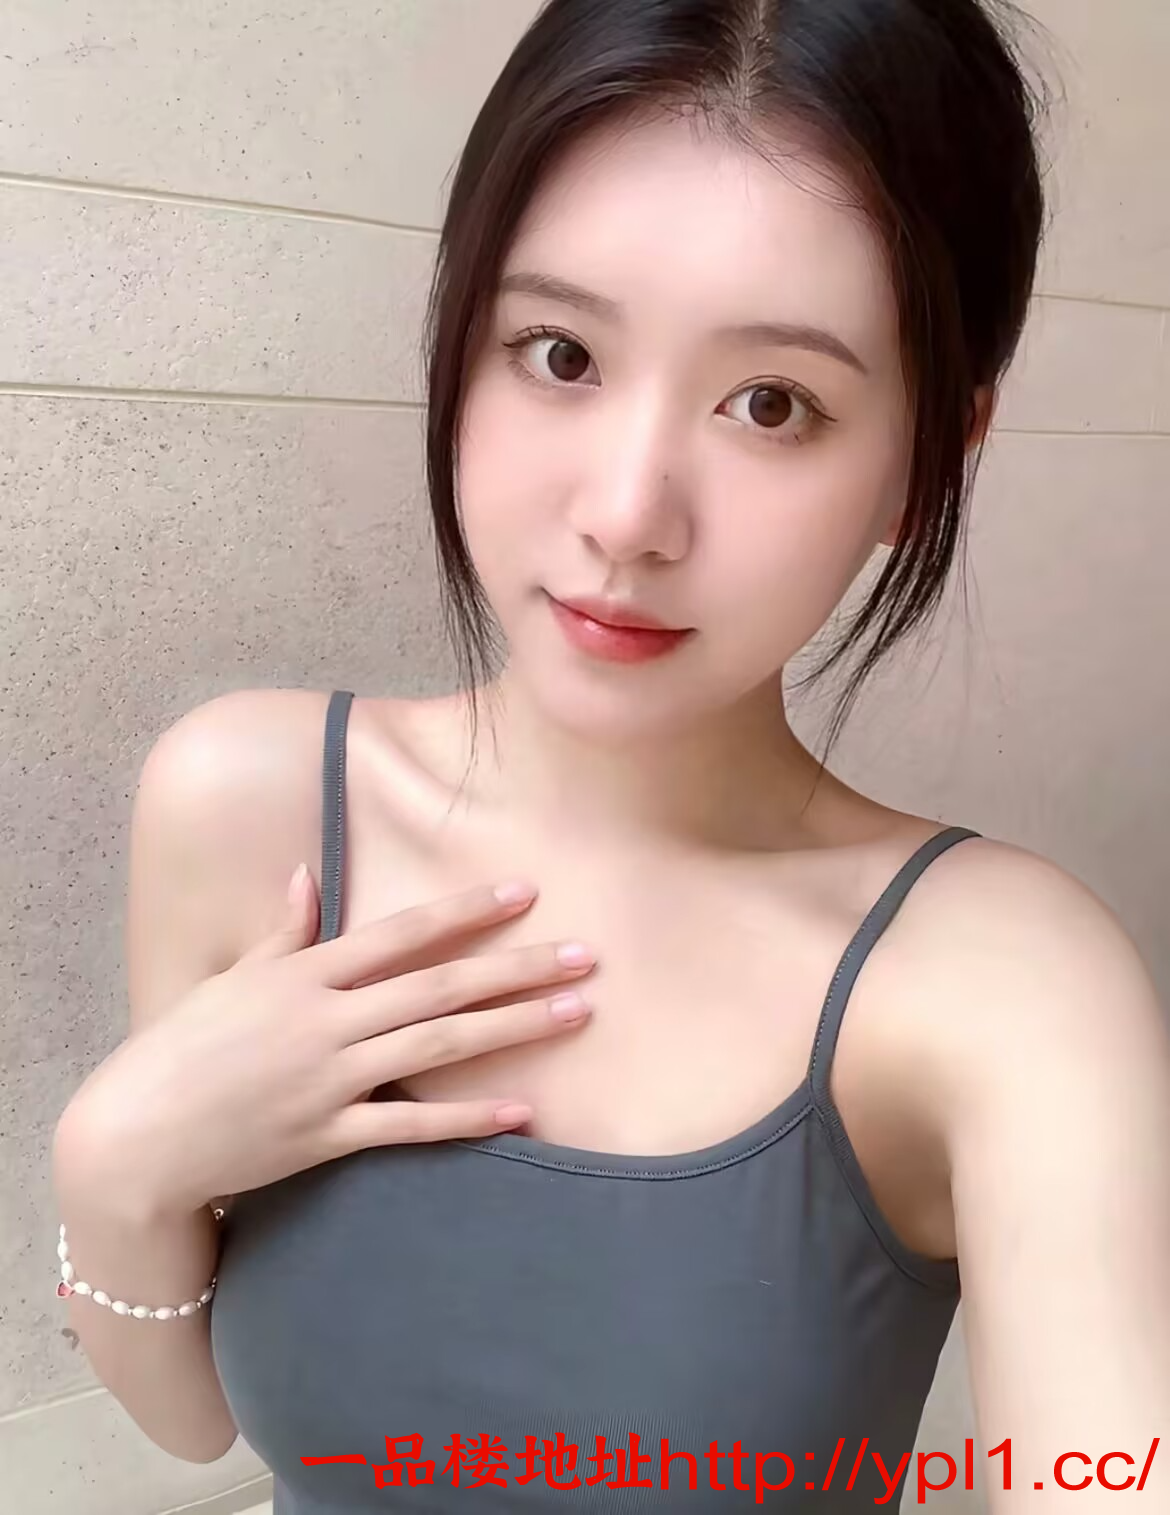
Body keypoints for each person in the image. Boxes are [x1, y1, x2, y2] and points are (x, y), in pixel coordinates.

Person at [51, 0, 1169, 1510]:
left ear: (927, 456)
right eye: (560, 352)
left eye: (771, 404)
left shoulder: (1001, 986)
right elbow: (194, 1425)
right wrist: (114, 1165)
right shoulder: (247, 808)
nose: (627, 513)